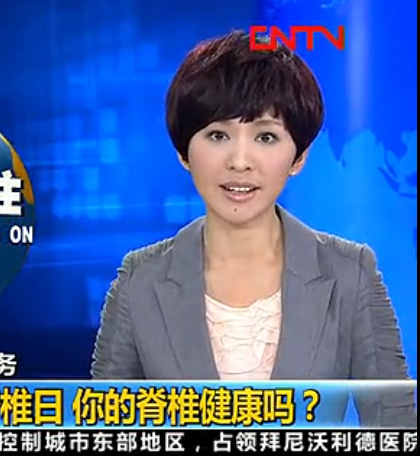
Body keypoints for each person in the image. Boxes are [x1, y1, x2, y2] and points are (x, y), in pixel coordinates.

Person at [90, 31, 416, 428]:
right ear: (183, 152)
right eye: (217, 135)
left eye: (265, 137)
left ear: (299, 157)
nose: (240, 161)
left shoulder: (351, 273)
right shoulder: (139, 281)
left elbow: (395, 426)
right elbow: (103, 427)